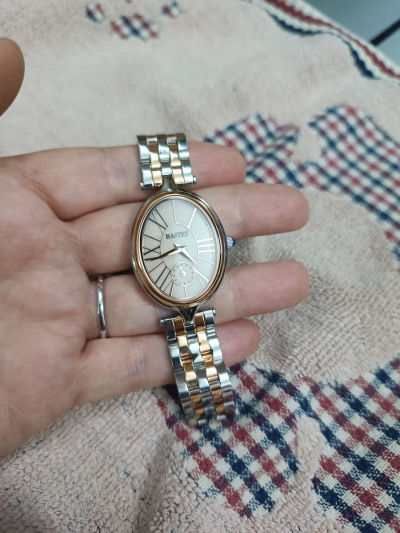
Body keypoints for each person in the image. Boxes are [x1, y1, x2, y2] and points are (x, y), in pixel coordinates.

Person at [0, 39, 309, 456]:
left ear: (222, 242)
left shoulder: (196, 221)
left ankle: (209, 408)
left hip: (193, 286)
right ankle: (208, 407)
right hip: (179, 290)